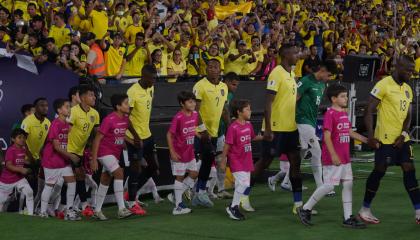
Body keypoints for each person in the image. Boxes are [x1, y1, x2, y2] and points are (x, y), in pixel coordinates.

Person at [359, 55, 420, 225]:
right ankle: (365, 209)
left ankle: (418, 211)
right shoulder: (384, 84)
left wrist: (404, 134)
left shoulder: (408, 88)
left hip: (401, 139)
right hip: (384, 139)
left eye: (412, 71)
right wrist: (371, 135)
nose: (410, 74)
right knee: (380, 171)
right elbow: (369, 110)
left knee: (409, 169)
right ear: (398, 67)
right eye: (408, 71)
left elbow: (408, 115)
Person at [297, 84, 367, 228]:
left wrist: (366, 140)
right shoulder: (330, 114)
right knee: (329, 186)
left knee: (348, 184)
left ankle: (348, 218)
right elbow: (327, 137)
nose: (345, 98)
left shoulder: (342, 112)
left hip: (345, 157)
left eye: (346, 96)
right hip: (334, 158)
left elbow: (348, 131)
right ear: (334, 99)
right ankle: (305, 209)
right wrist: (334, 155)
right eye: (342, 96)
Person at [268, 62, 335, 191]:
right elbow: (293, 99)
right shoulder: (305, 81)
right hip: (301, 121)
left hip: (311, 121)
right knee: (316, 151)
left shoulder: (322, 84)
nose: (330, 78)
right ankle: (320, 186)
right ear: (322, 69)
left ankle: (280, 180)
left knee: (301, 153)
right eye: (329, 74)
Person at [254, 43, 303, 214]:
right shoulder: (276, 73)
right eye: (295, 52)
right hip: (275, 128)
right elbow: (268, 102)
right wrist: (267, 128)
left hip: (290, 128)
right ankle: (243, 196)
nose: (298, 55)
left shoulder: (292, 73)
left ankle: (298, 205)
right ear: (285, 55)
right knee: (264, 164)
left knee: (296, 163)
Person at [191, 58, 230, 208]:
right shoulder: (200, 86)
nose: (212, 69)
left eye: (215, 67)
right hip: (199, 133)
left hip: (213, 132)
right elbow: (195, 110)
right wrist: (202, 129)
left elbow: (224, 110)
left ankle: (198, 193)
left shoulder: (223, 87)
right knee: (198, 162)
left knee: (207, 163)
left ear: (220, 70)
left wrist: (230, 126)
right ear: (206, 69)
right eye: (209, 67)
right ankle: (196, 192)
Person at [91, 94, 133, 220]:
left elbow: (120, 135)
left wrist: (131, 141)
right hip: (104, 153)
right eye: (125, 103)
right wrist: (94, 160)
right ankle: (121, 209)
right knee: (119, 173)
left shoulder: (125, 119)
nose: (128, 105)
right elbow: (97, 139)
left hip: (115, 154)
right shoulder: (109, 119)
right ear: (118, 106)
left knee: (105, 179)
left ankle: (97, 211)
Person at [221, 99, 262, 220]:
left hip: (246, 159)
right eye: (247, 109)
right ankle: (233, 207)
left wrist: (264, 137)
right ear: (239, 112)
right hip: (236, 160)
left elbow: (252, 137)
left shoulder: (249, 125)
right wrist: (223, 160)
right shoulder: (233, 127)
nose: (250, 111)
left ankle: (234, 207)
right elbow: (227, 145)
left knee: (241, 184)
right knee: (244, 184)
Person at [125, 64, 158, 215]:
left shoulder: (151, 88)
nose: (154, 81)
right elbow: (126, 117)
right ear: (143, 76)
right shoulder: (132, 92)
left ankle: (131, 193)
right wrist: (136, 136)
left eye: (155, 78)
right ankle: (131, 202)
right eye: (152, 79)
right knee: (135, 168)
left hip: (147, 134)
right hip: (135, 137)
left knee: (153, 167)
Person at [39, 99, 80, 220]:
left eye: (69, 107)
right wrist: (71, 156)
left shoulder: (67, 124)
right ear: (59, 110)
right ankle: (42, 212)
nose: (69, 109)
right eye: (67, 107)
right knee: (49, 186)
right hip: (51, 161)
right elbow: (56, 147)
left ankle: (69, 211)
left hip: (63, 161)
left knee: (72, 182)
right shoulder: (55, 124)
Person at [67, 85, 100, 217]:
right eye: (91, 95)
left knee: (79, 178)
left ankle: (79, 206)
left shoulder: (95, 114)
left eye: (94, 95)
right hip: (68, 150)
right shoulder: (73, 111)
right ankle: (77, 207)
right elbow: (65, 131)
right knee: (74, 178)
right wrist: (66, 152)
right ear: (82, 97)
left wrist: (93, 155)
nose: (94, 97)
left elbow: (97, 136)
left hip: (80, 151)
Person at [166, 91, 199, 215]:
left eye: (194, 101)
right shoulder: (178, 117)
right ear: (182, 103)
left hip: (189, 152)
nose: (193, 103)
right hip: (179, 153)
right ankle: (178, 207)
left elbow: (193, 129)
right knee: (179, 177)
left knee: (194, 174)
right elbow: (169, 134)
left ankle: (176, 195)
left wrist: (199, 135)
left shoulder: (195, 114)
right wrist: (172, 152)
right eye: (190, 101)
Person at [20, 97, 50, 212]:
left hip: (39, 160)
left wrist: (41, 157)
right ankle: (22, 210)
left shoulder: (48, 122)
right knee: (27, 188)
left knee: (37, 188)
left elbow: (46, 142)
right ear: (36, 108)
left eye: (46, 105)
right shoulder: (28, 121)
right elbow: (22, 141)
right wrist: (31, 157)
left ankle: (32, 210)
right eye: (42, 105)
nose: (45, 108)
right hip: (26, 160)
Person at [0, 128, 34, 215]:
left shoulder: (23, 149)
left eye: (24, 137)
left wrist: (27, 150)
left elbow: (29, 161)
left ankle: (31, 215)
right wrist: (21, 169)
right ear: (13, 139)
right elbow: (8, 165)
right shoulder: (11, 150)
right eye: (19, 137)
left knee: (29, 192)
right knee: (2, 203)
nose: (22, 139)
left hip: (18, 179)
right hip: (6, 181)